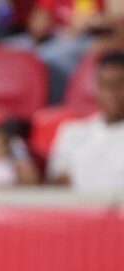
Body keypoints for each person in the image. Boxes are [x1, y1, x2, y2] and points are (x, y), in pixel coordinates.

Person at [47, 50, 124, 190]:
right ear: (97, 88)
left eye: (120, 84)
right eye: (105, 84)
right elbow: (59, 182)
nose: (112, 91)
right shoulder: (71, 132)